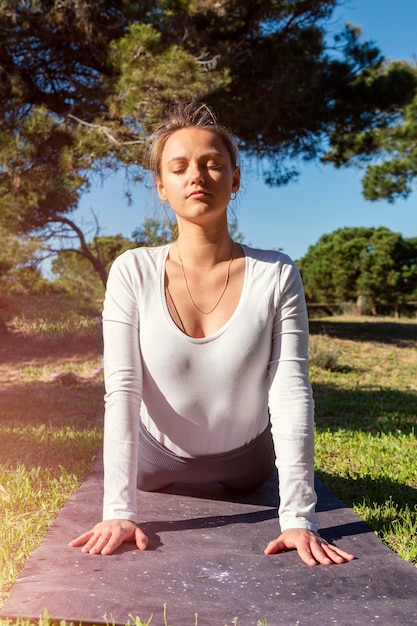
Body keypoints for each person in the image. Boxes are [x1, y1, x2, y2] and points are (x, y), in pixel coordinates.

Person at [70, 102, 354, 567]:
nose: (196, 176)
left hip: (248, 464)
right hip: (154, 462)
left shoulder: (276, 273)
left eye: (212, 164)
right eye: (179, 168)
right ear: (162, 187)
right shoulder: (132, 270)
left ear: (235, 179)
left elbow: (290, 391)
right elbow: (122, 389)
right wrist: (118, 511)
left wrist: (300, 518)